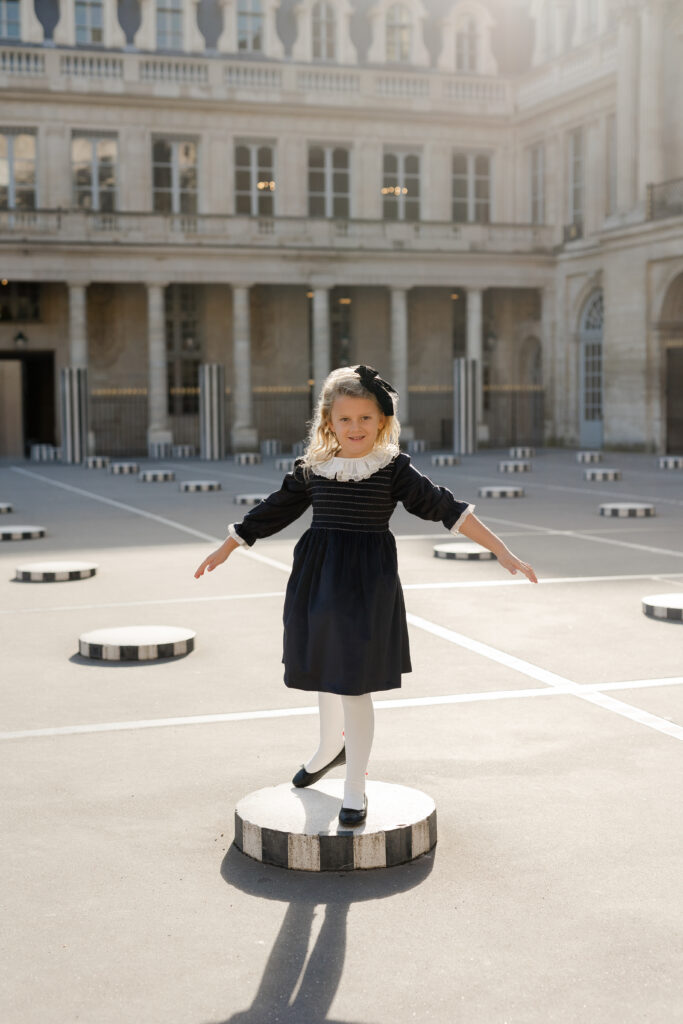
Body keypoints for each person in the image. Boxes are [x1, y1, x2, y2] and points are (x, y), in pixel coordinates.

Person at [194, 364, 537, 827]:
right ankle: (326, 749)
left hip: (366, 585)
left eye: (366, 419)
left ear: (383, 422)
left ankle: (355, 786)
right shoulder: (314, 467)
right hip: (317, 577)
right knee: (321, 668)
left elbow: (445, 507)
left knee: (353, 684)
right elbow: (273, 510)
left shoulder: (392, 468)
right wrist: (230, 545)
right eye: (345, 419)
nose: (355, 428)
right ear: (328, 423)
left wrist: (500, 549)